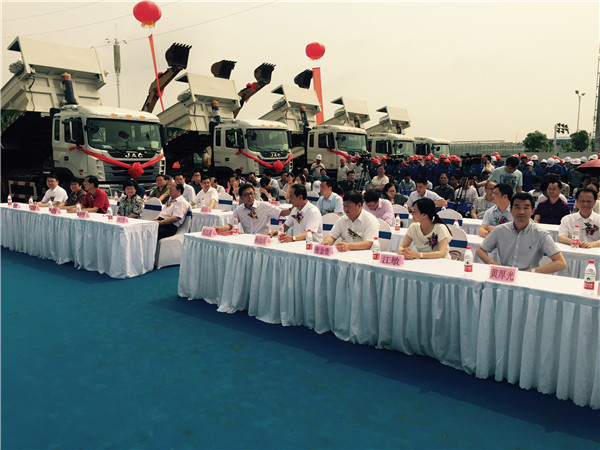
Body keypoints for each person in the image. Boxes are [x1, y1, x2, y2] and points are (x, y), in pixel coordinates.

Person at [476, 193, 567, 274]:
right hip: (505, 277)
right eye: (517, 207)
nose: (521, 212)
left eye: (526, 208)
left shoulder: (541, 234)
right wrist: (496, 265)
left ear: (532, 211)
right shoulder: (500, 230)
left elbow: (561, 263)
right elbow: (480, 250)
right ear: (511, 210)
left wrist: (532, 271)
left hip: (529, 279)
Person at [214, 183, 290, 235]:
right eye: (246, 195)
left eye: (251, 193)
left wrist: (292, 209)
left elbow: (281, 213)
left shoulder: (264, 206)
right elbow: (230, 225)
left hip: (262, 239)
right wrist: (220, 229)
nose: (250, 196)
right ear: (241, 197)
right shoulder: (239, 209)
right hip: (248, 240)